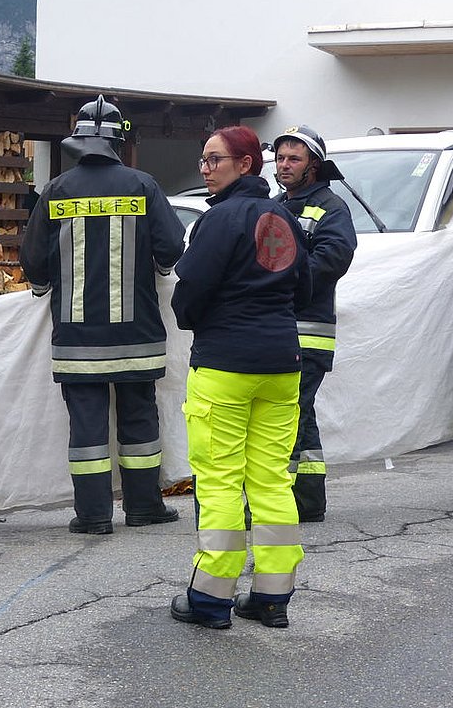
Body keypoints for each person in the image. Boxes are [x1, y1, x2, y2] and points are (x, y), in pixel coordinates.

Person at [20, 95, 185, 535]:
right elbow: (172, 247)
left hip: (77, 338)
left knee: (87, 426)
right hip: (138, 333)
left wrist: (43, 284)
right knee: (139, 422)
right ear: (118, 140)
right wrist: (161, 268)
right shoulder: (143, 185)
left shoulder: (56, 190)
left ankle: (93, 516)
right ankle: (144, 506)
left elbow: (33, 261)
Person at [169, 125, 310, 630]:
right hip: (281, 366)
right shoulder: (283, 217)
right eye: (203, 160)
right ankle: (272, 598)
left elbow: (189, 295)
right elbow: (307, 283)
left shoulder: (219, 219)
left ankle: (209, 601)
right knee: (272, 479)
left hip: (225, 365)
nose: (205, 169)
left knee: (221, 481)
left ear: (245, 165)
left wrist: (197, 315)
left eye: (214, 160)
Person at [273, 125, 357, 522]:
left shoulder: (330, 208)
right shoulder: (276, 205)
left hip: (308, 333)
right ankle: (307, 501)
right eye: (280, 157)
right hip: (279, 331)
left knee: (290, 413)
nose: (284, 165)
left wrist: (281, 283)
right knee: (299, 414)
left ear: (314, 166)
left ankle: (285, 501)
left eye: (294, 159)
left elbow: (334, 258)